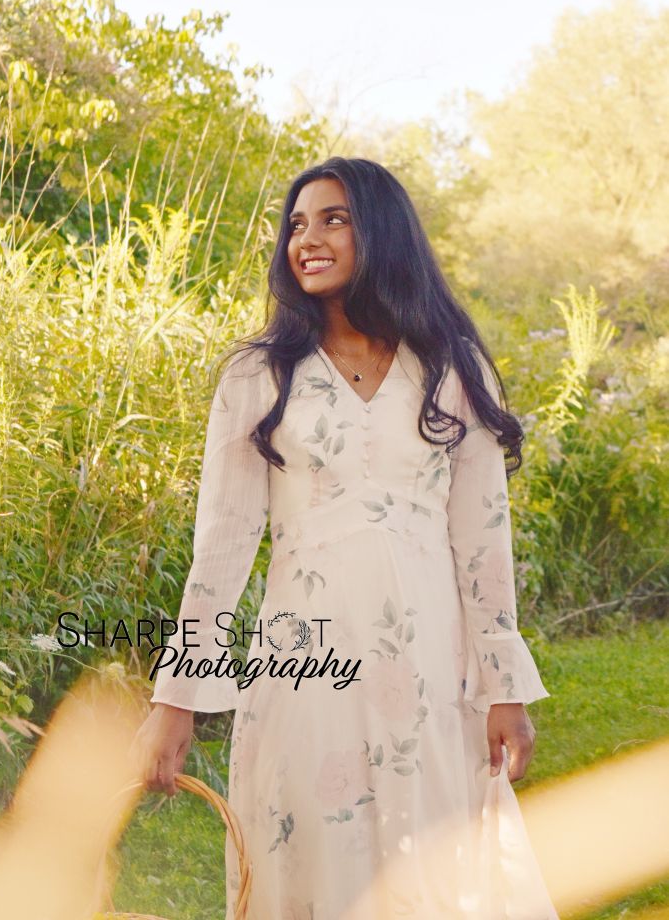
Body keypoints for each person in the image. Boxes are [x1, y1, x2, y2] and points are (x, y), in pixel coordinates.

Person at [132, 157, 559, 918]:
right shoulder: (259, 376)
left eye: (334, 219)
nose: (309, 239)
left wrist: (504, 689)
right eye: (297, 224)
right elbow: (223, 547)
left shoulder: (452, 372)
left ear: (383, 233)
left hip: (429, 667)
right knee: (311, 852)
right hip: (305, 664)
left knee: (431, 863)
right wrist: (178, 700)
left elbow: (483, 542)